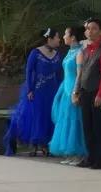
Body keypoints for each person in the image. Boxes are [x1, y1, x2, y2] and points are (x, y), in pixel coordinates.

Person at [5, 28, 63, 156]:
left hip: (53, 91)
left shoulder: (57, 54)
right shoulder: (35, 53)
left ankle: (47, 144)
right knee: (37, 116)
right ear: (50, 39)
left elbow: (59, 74)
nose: (59, 39)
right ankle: (34, 145)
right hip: (38, 90)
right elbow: (29, 71)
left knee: (50, 116)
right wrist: (30, 89)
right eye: (57, 37)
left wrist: (60, 90)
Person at [74, 18, 101, 169]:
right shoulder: (85, 50)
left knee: (99, 128)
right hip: (85, 92)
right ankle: (90, 157)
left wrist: (100, 94)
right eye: (87, 29)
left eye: (93, 28)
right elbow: (81, 73)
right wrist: (77, 91)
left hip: (98, 93)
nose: (89, 31)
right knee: (87, 127)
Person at [49, 27, 88, 165]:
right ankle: (70, 153)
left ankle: (80, 154)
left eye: (66, 34)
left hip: (73, 88)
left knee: (75, 120)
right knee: (65, 119)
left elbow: (80, 74)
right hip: (65, 87)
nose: (63, 37)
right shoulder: (70, 51)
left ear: (73, 37)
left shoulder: (80, 52)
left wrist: (75, 91)